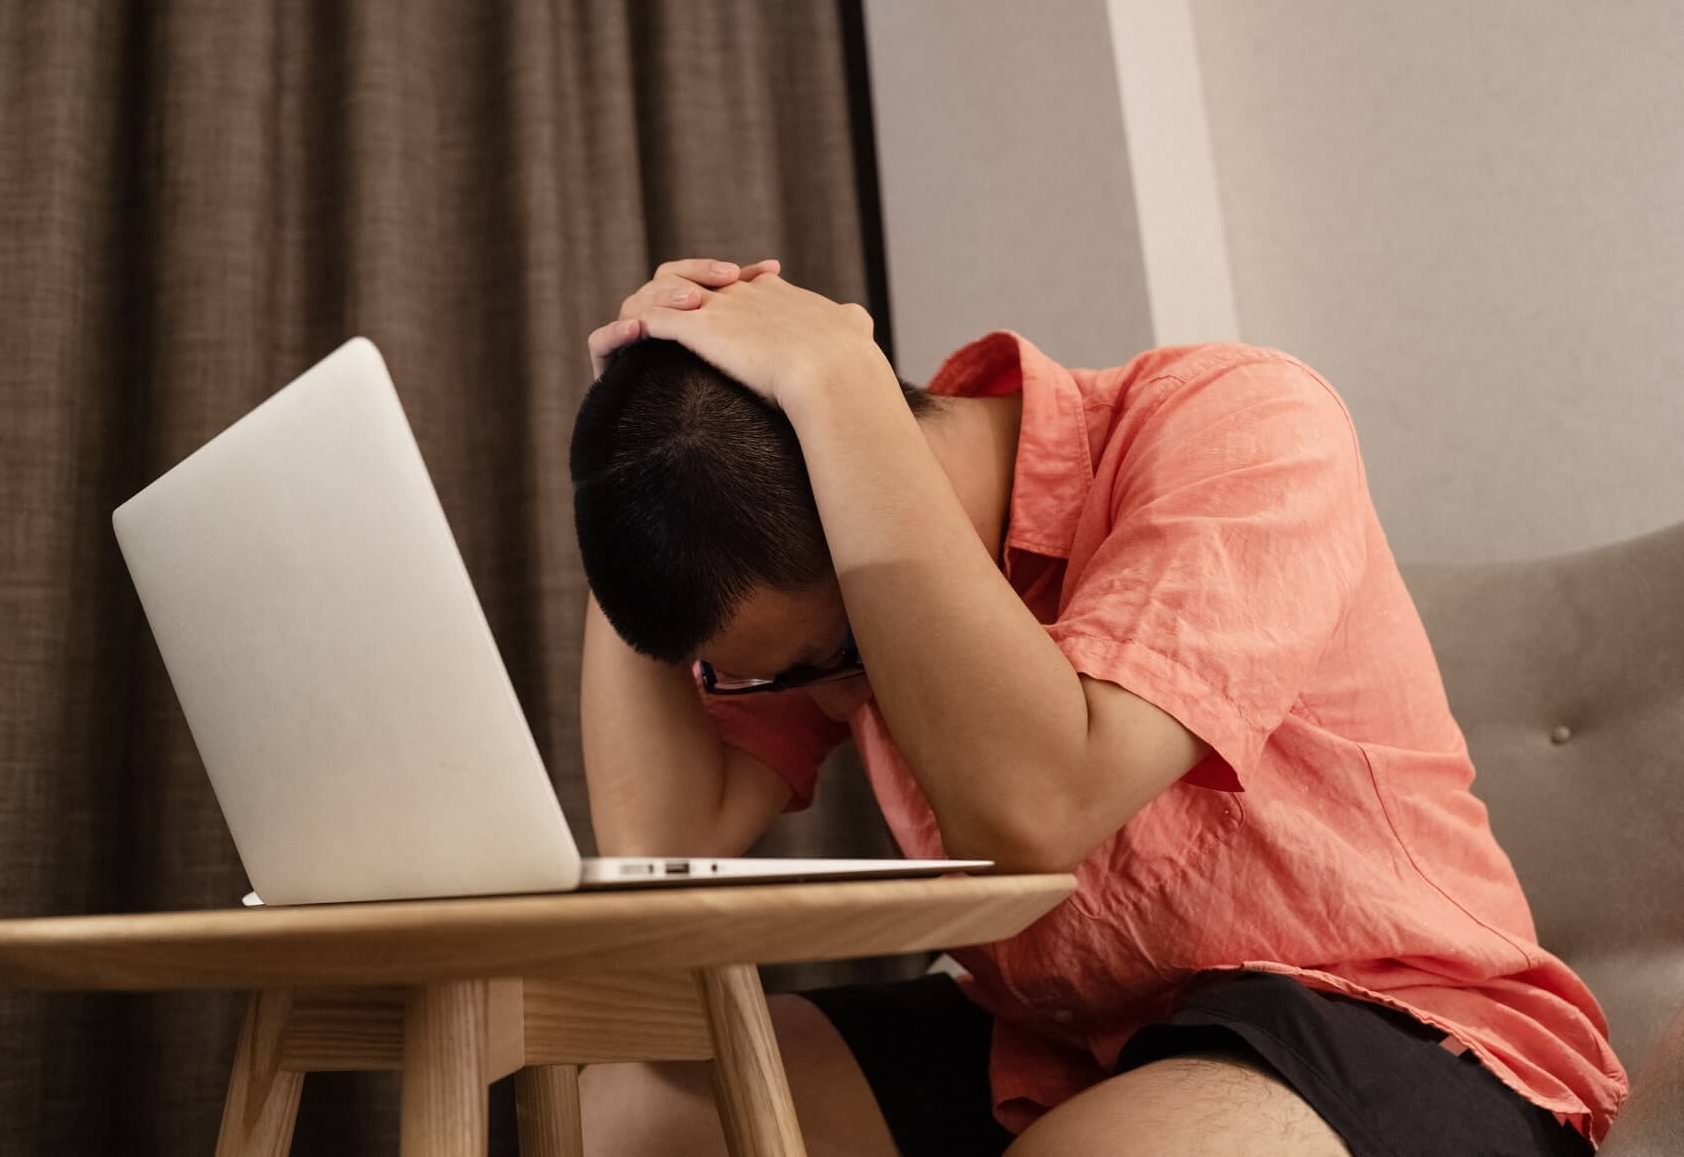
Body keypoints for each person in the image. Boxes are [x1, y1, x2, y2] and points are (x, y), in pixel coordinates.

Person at [567, 257, 1625, 1157]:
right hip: (1061, 1042)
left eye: (830, 658)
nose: (836, 692)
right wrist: (639, 441)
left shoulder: (1240, 419)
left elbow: (1038, 808)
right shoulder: (805, 609)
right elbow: (662, 841)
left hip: (1390, 1017)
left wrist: (837, 382)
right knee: (626, 1109)